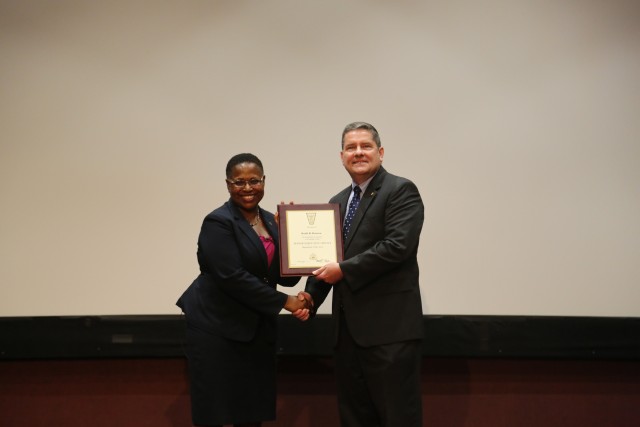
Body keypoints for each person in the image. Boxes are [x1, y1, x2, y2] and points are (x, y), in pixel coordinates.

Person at [295, 122, 425, 427]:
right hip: (347, 337)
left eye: (365, 146)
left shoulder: (400, 190)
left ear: (380, 152)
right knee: (355, 419)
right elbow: (327, 259)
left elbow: (397, 246)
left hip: (389, 334)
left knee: (397, 418)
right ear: (341, 156)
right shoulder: (336, 202)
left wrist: (342, 269)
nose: (358, 153)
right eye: (351, 148)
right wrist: (310, 298)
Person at [177, 153, 310, 427]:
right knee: (215, 412)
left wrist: (290, 235)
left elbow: (282, 277)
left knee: (251, 412)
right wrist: (288, 303)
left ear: (264, 181)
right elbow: (231, 277)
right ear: (228, 184)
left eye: (254, 181)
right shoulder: (218, 222)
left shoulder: (271, 221)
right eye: (239, 182)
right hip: (215, 329)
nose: (247, 188)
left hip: (254, 329)